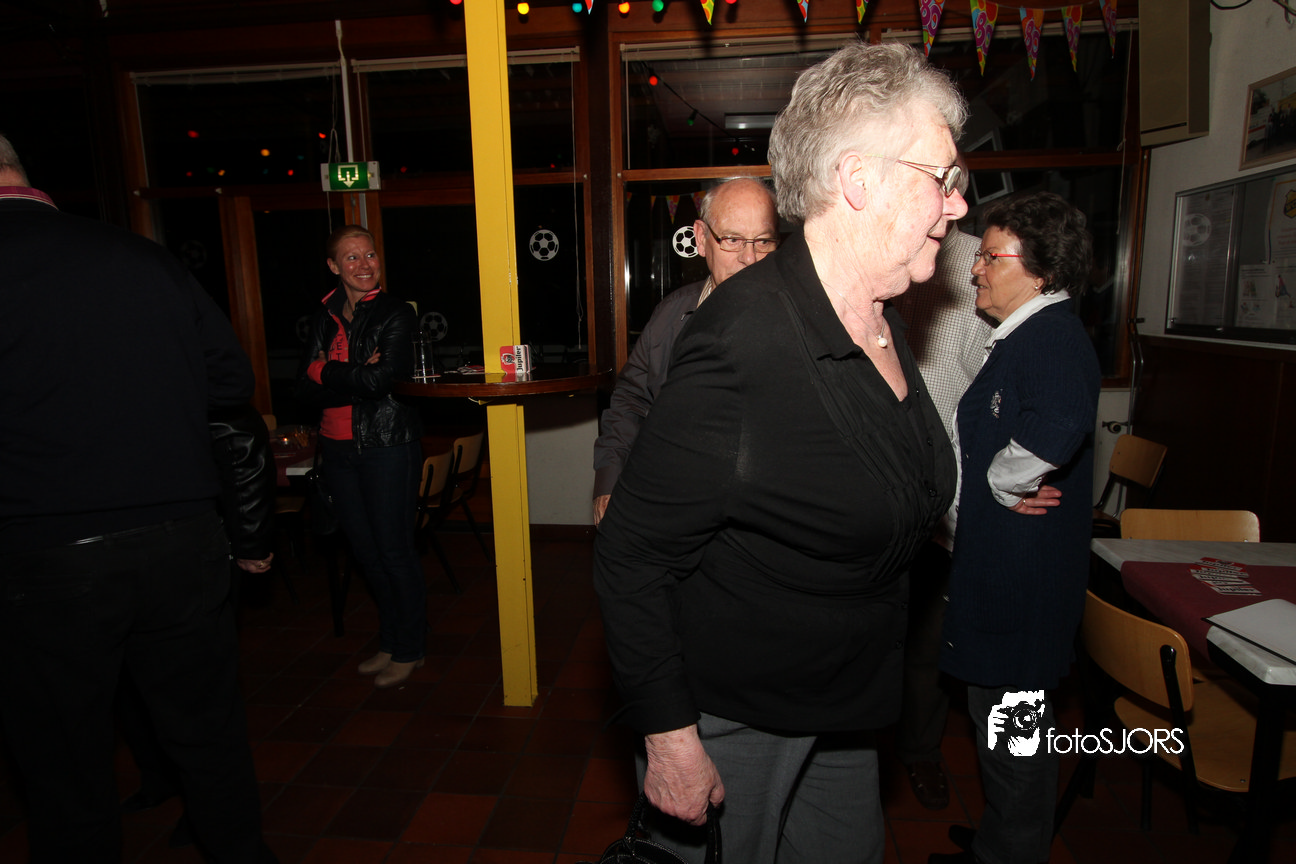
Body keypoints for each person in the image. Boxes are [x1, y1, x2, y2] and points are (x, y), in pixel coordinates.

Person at [594, 42, 965, 863]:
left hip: (843, 703)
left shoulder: (881, 320)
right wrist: (671, 740)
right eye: (942, 176)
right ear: (859, 179)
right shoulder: (746, 338)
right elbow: (630, 556)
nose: (957, 201)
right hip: (737, 714)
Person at [0, 133, 276, 862]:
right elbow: (229, 382)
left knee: (66, 766)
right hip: (183, 538)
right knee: (209, 734)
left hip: (43, 553)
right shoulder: (141, 257)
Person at [933, 191, 1101, 864]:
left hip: (1022, 588)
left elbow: (1059, 424)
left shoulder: (1051, 337)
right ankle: (999, 843)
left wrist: (1002, 483)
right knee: (998, 732)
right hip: (1004, 575)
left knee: (1015, 742)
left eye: (990, 256)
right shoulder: (1026, 336)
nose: (976, 268)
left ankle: (1011, 852)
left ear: (1042, 271)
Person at [889, 158, 993, 812]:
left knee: (929, 636)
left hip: (948, 491)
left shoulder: (981, 261)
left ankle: (920, 750)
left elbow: (1002, 383)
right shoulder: (878, 244)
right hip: (877, 484)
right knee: (870, 633)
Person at [592, 177, 780, 524]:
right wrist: (609, 479)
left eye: (763, 241)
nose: (750, 258)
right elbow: (632, 400)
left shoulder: (801, 320)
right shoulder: (671, 314)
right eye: (733, 239)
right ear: (702, 238)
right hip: (674, 508)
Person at [296, 224, 426, 689]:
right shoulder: (324, 314)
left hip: (387, 444)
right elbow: (302, 388)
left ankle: (410, 649)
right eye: (352, 258)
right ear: (334, 266)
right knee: (367, 553)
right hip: (336, 447)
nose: (364, 265)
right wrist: (349, 373)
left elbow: (380, 382)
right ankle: (390, 641)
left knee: (394, 551)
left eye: (369, 255)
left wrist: (324, 370)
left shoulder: (395, 312)